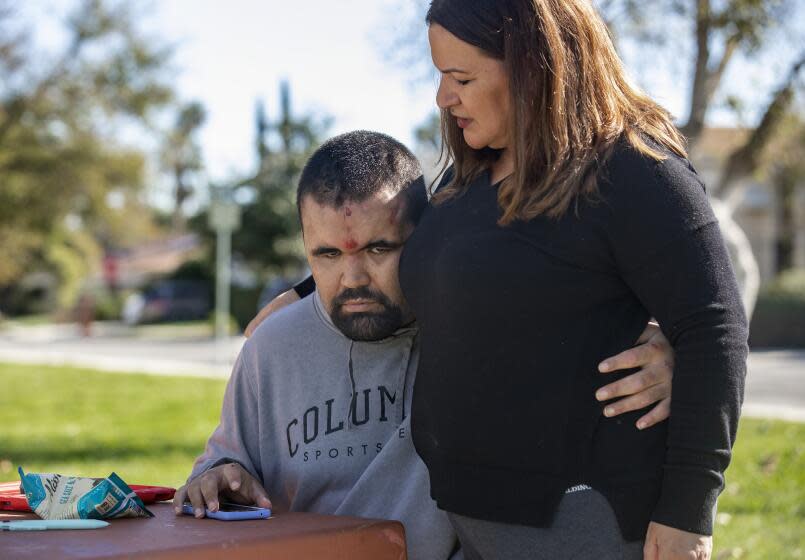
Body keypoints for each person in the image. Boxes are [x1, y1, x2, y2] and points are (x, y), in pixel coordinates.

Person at [252, 2, 748, 559]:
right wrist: (302, 292)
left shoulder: (633, 170)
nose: (443, 97)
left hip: (585, 521)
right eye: (440, 76)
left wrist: (688, 513)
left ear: (535, 67)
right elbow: (409, 253)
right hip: (468, 528)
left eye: (461, 78)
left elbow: (715, 330)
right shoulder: (469, 177)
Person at [177, 131, 677, 560]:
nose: (352, 279)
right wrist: (221, 474)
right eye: (325, 255)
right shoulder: (271, 349)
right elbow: (226, 461)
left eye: (379, 249)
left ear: (426, 240)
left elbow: (585, 313)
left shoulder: (481, 325)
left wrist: (662, 347)